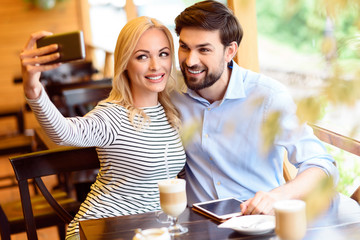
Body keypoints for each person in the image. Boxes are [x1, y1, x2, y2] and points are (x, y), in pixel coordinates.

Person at [20, 16, 186, 239]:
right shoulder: (113, 114)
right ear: (126, 62)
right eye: (142, 56)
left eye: (163, 54)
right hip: (101, 228)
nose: (156, 65)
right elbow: (63, 133)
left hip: (148, 231)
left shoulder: (171, 111)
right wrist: (33, 89)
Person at [171, 0, 339, 215]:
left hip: (257, 223)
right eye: (184, 47)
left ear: (229, 51)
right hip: (195, 225)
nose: (190, 60)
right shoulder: (172, 95)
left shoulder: (268, 97)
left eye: (204, 49)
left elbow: (322, 166)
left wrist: (277, 196)